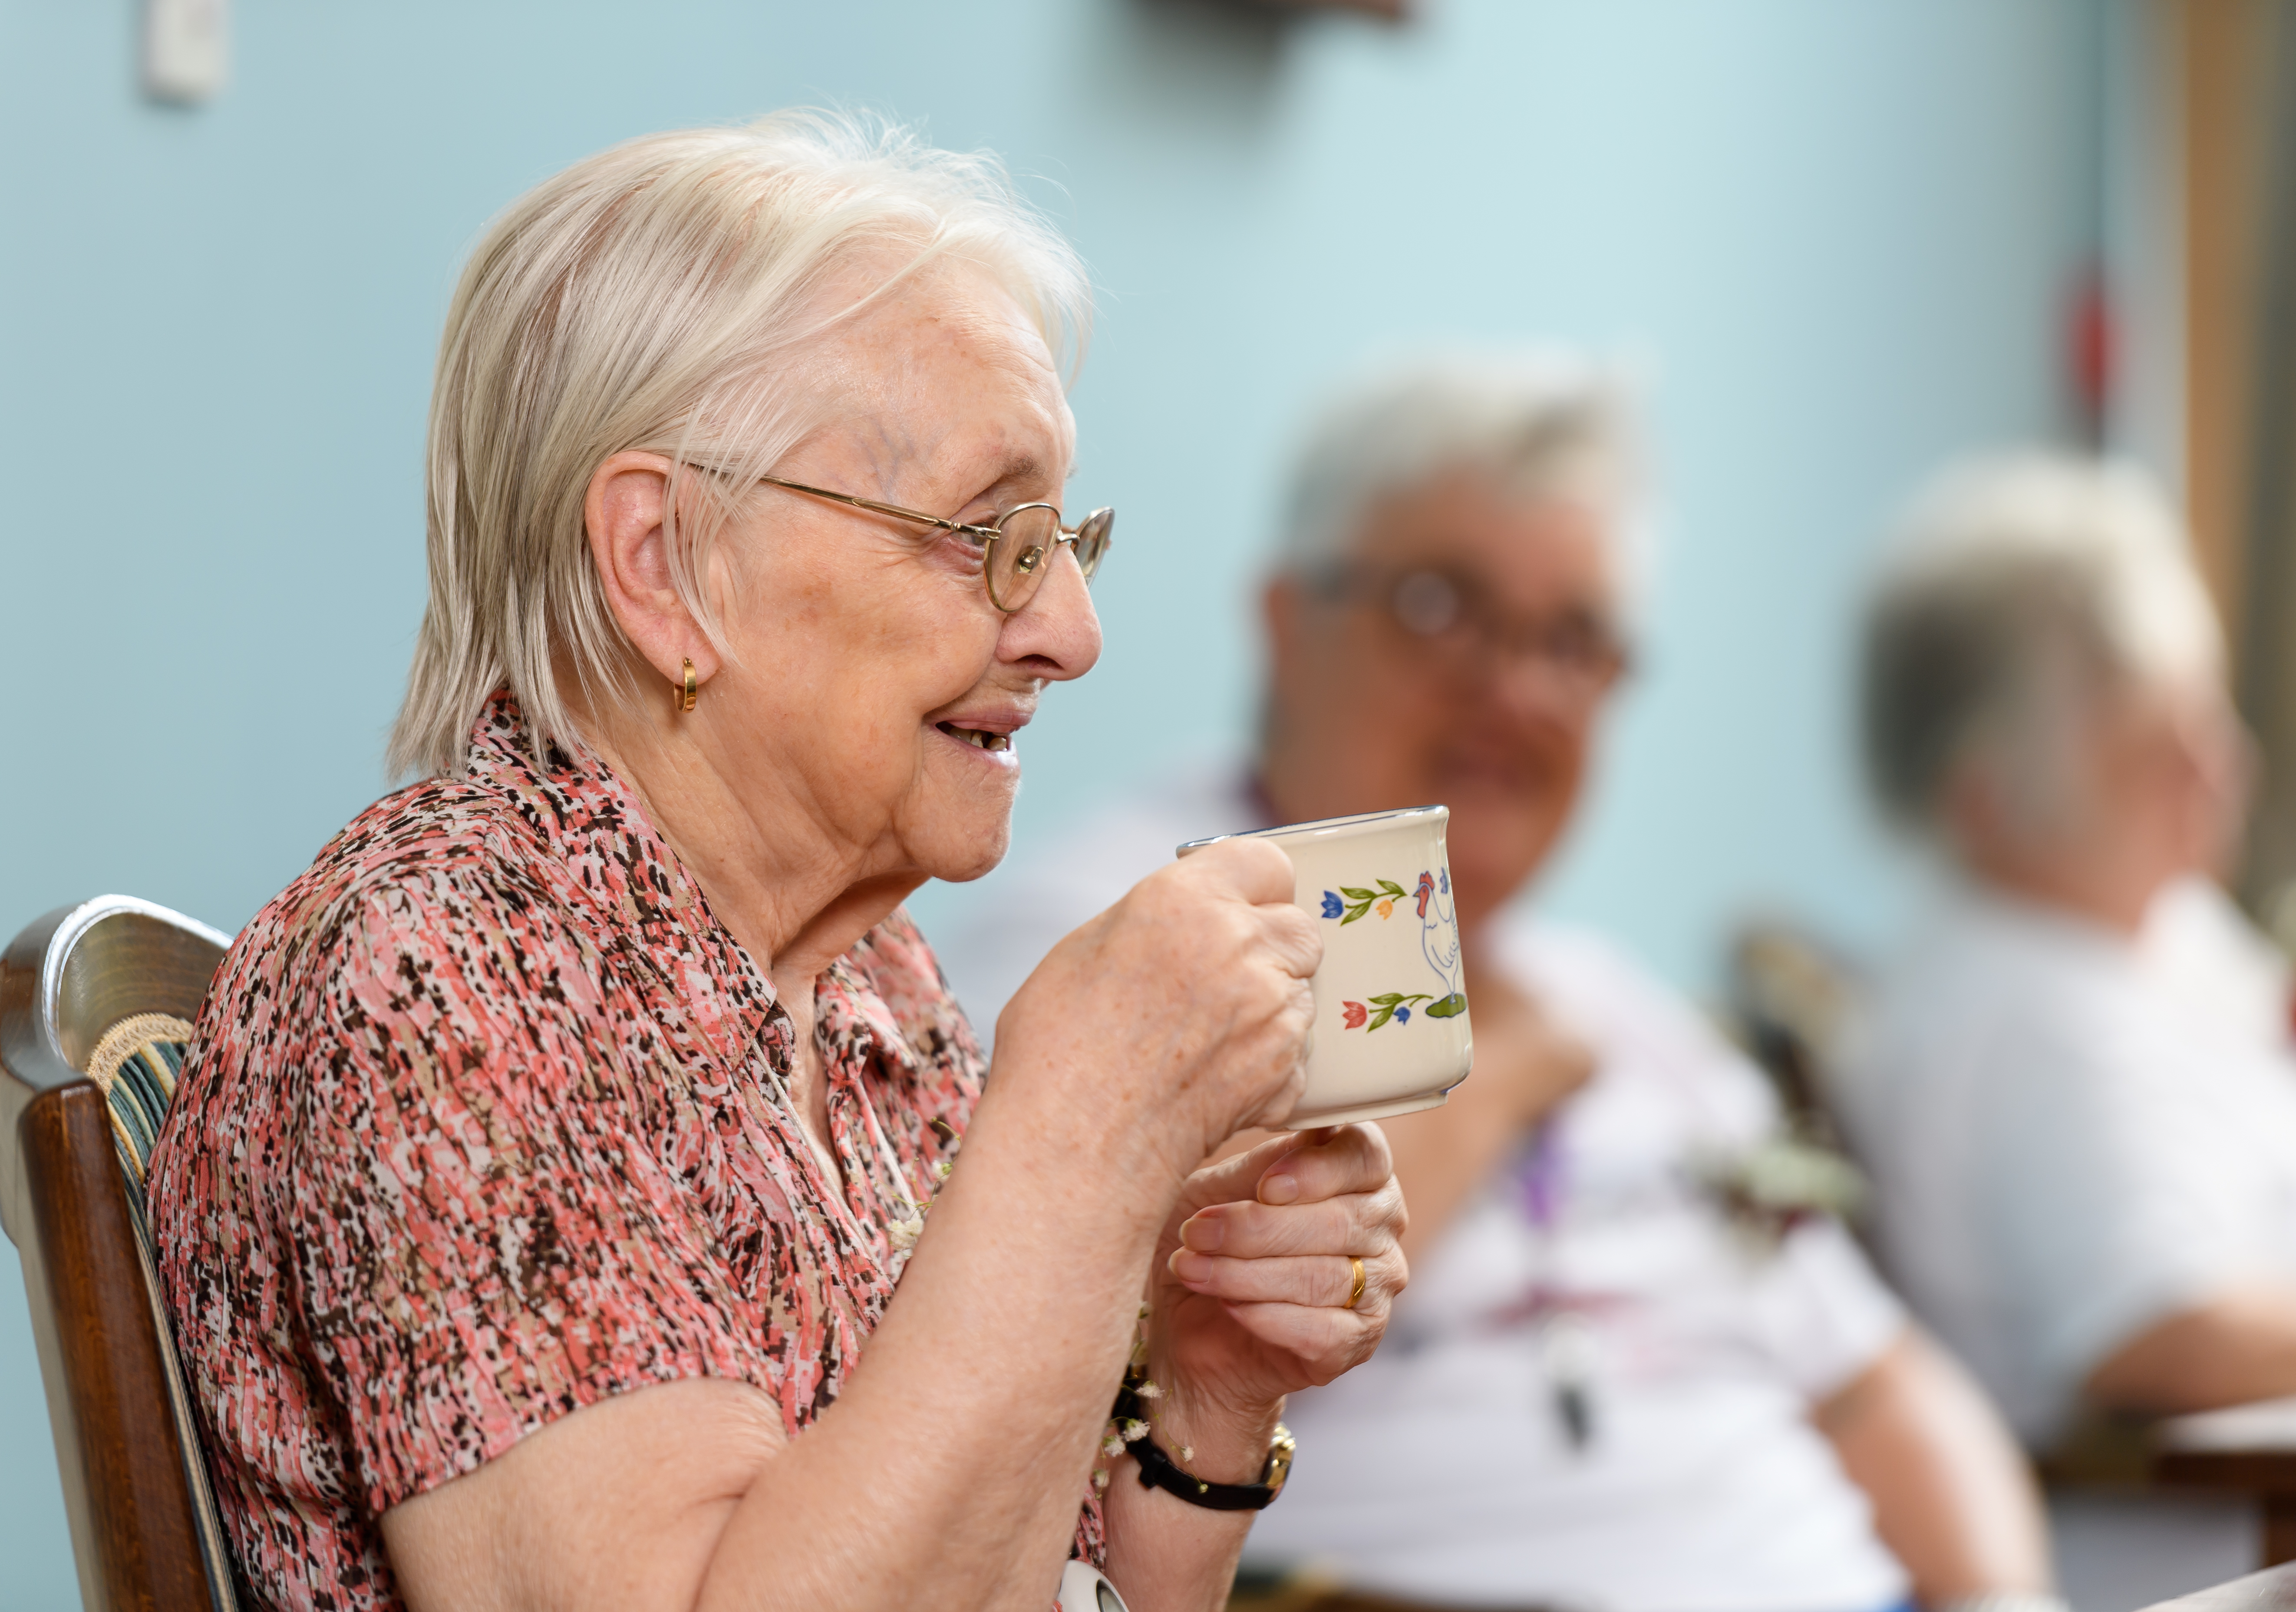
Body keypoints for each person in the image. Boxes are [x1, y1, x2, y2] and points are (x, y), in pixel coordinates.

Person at [146, 113, 1410, 1612]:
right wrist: (1081, 1125)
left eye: (1065, 538)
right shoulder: (445, 977)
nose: (1071, 632)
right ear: (664, 566)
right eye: (988, 536)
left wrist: (1208, 1393)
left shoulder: (871, 982)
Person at [947, 353, 2056, 1612]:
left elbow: (1879, 1384)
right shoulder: (1118, 927)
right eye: (1441, 606)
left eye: (1574, 640)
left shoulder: (1607, 998)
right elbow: (1147, 1325)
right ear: (1285, 620)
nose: (1517, 687)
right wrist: (1503, 1071)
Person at [1837, 453, 2296, 1453]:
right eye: (2156, 746)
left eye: (2210, 715)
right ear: (1984, 799)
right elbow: (2166, 1327)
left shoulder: (2161, 927)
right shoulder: (2031, 1014)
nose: (2224, 769)